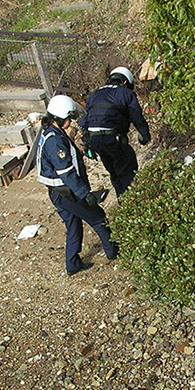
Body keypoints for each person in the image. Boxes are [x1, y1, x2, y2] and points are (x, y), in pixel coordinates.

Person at [37, 95, 118, 275]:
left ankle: (72, 264)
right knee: (98, 217)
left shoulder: (50, 133)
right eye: (68, 118)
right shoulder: (55, 141)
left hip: (57, 193)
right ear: (58, 118)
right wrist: (84, 193)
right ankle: (113, 252)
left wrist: (80, 152)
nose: (70, 121)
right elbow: (66, 173)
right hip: (68, 192)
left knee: (73, 225)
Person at [78, 66, 151, 198]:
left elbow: (84, 121)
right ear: (124, 82)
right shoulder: (126, 93)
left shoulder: (95, 94)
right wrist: (145, 135)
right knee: (128, 169)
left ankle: (122, 202)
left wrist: (87, 143)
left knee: (114, 171)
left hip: (95, 140)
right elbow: (136, 116)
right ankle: (132, 205)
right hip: (112, 139)